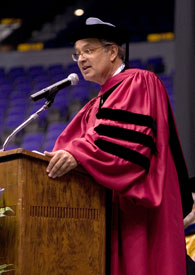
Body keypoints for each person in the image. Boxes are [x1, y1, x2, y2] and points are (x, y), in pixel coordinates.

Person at [44, 17, 193, 275]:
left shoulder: (140, 81)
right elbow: (69, 147)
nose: (81, 59)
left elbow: (126, 144)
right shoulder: (95, 104)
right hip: (110, 214)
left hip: (140, 214)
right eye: (77, 54)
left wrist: (78, 153)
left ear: (112, 51)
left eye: (88, 50)